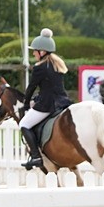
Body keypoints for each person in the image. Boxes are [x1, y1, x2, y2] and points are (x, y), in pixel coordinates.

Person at [20, 29, 72, 170]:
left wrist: (26, 104)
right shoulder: (57, 64)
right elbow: (51, 88)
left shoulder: (40, 67)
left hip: (48, 105)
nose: (33, 53)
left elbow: (30, 88)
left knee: (24, 124)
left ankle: (36, 156)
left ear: (42, 51)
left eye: (35, 51)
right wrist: (38, 97)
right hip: (62, 102)